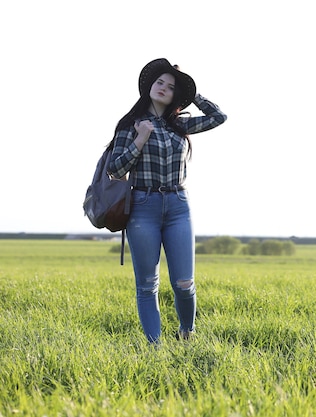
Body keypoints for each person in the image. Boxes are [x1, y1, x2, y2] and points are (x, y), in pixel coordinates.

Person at [108, 58, 227, 343]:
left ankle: (186, 333)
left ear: (176, 95)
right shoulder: (131, 125)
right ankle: (155, 348)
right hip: (143, 208)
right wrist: (140, 139)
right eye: (160, 82)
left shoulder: (179, 125)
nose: (163, 88)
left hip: (178, 206)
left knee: (184, 283)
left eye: (171, 86)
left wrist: (192, 91)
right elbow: (115, 169)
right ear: (150, 85)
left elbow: (218, 117)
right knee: (148, 286)